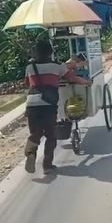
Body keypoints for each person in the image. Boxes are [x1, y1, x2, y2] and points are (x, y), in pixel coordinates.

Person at [24, 40, 91, 174]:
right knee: (50, 135)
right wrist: (86, 82)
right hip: (48, 105)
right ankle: (47, 166)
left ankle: (31, 153)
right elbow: (72, 78)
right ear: (51, 52)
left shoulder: (30, 67)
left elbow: (27, 84)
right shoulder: (57, 66)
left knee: (35, 134)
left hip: (32, 104)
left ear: (36, 53)